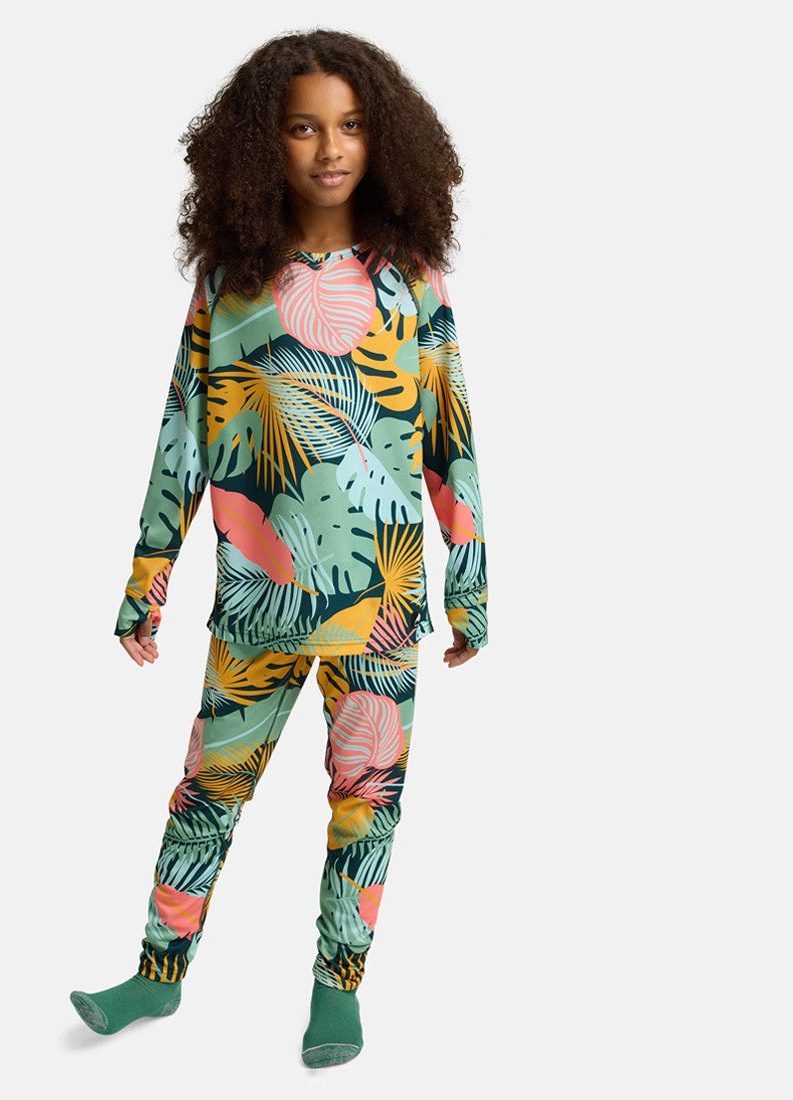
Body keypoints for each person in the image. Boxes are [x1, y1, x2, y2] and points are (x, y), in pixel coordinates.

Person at [70, 28, 488, 1068]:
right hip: (256, 602)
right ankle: (156, 972)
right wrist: (148, 575)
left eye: (350, 125)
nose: (330, 148)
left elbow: (450, 435)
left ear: (384, 138)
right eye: (304, 127)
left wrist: (470, 582)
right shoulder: (229, 283)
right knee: (206, 789)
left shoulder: (413, 280)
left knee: (366, 805)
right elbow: (183, 429)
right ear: (265, 144)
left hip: (380, 605)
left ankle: (335, 992)